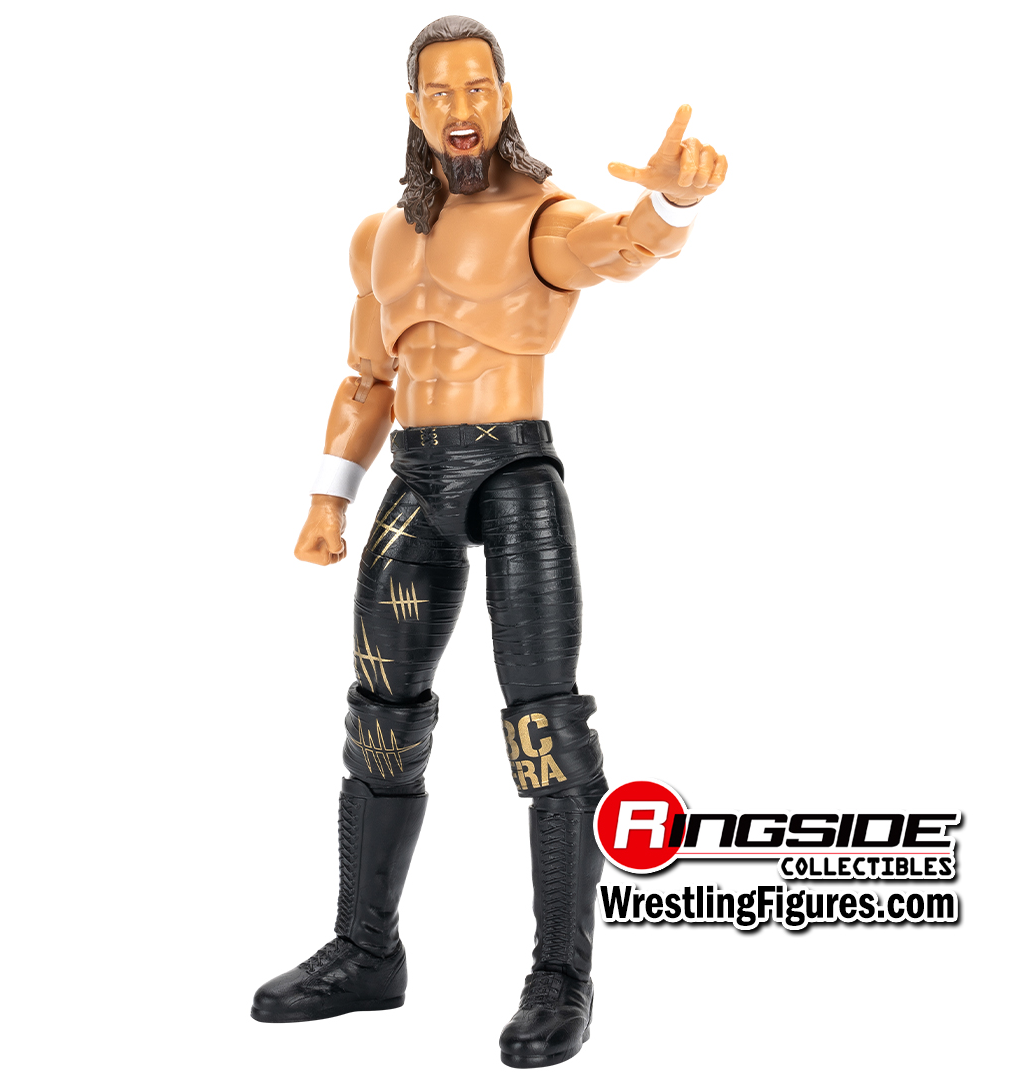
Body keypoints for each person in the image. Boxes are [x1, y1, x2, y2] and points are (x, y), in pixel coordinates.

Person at [251, 15, 726, 1069]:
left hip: (513, 472)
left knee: (546, 726)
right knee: (380, 717)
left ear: (504, 98)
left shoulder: (540, 217)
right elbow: (367, 377)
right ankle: (366, 950)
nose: (461, 110)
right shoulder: (378, 236)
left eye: (478, 89)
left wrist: (672, 204)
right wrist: (329, 498)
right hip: (415, 478)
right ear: (414, 108)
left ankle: (562, 976)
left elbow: (619, 248)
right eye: (441, 93)